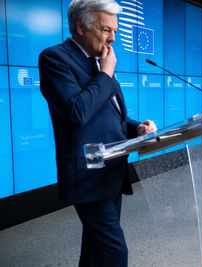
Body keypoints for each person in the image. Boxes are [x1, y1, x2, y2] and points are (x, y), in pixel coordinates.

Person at [39, 0, 157, 266]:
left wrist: (135, 127)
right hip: (87, 175)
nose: (112, 38)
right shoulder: (55, 58)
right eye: (106, 29)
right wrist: (105, 73)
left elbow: (111, 114)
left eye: (114, 30)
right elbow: (77, 112)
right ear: (80, 25)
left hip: (111, 169)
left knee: (95, 251)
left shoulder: (100, 61)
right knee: (114, 253)